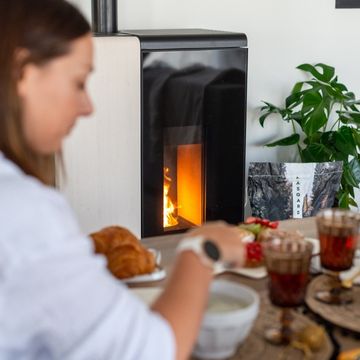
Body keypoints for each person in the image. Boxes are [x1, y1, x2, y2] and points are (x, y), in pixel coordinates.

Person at [0, 1, 246, 359]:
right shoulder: (23, 213)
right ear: (25, 72)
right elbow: (153, 351)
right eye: (78, 81)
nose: (88, 107)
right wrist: (202, 248)